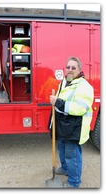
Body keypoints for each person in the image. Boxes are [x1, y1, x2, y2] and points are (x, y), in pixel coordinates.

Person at [49, 56, 94, 188]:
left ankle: (74, 182)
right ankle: (65, 169)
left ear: (79, 70)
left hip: (74, 127)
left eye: (73, 68)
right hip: (63, 125)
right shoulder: (64, 82)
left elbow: (80, 108)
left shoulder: (84, 87)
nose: (70, 70)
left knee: (72, 155)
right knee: (62, 149)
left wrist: (58, 102)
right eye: (68, 67)